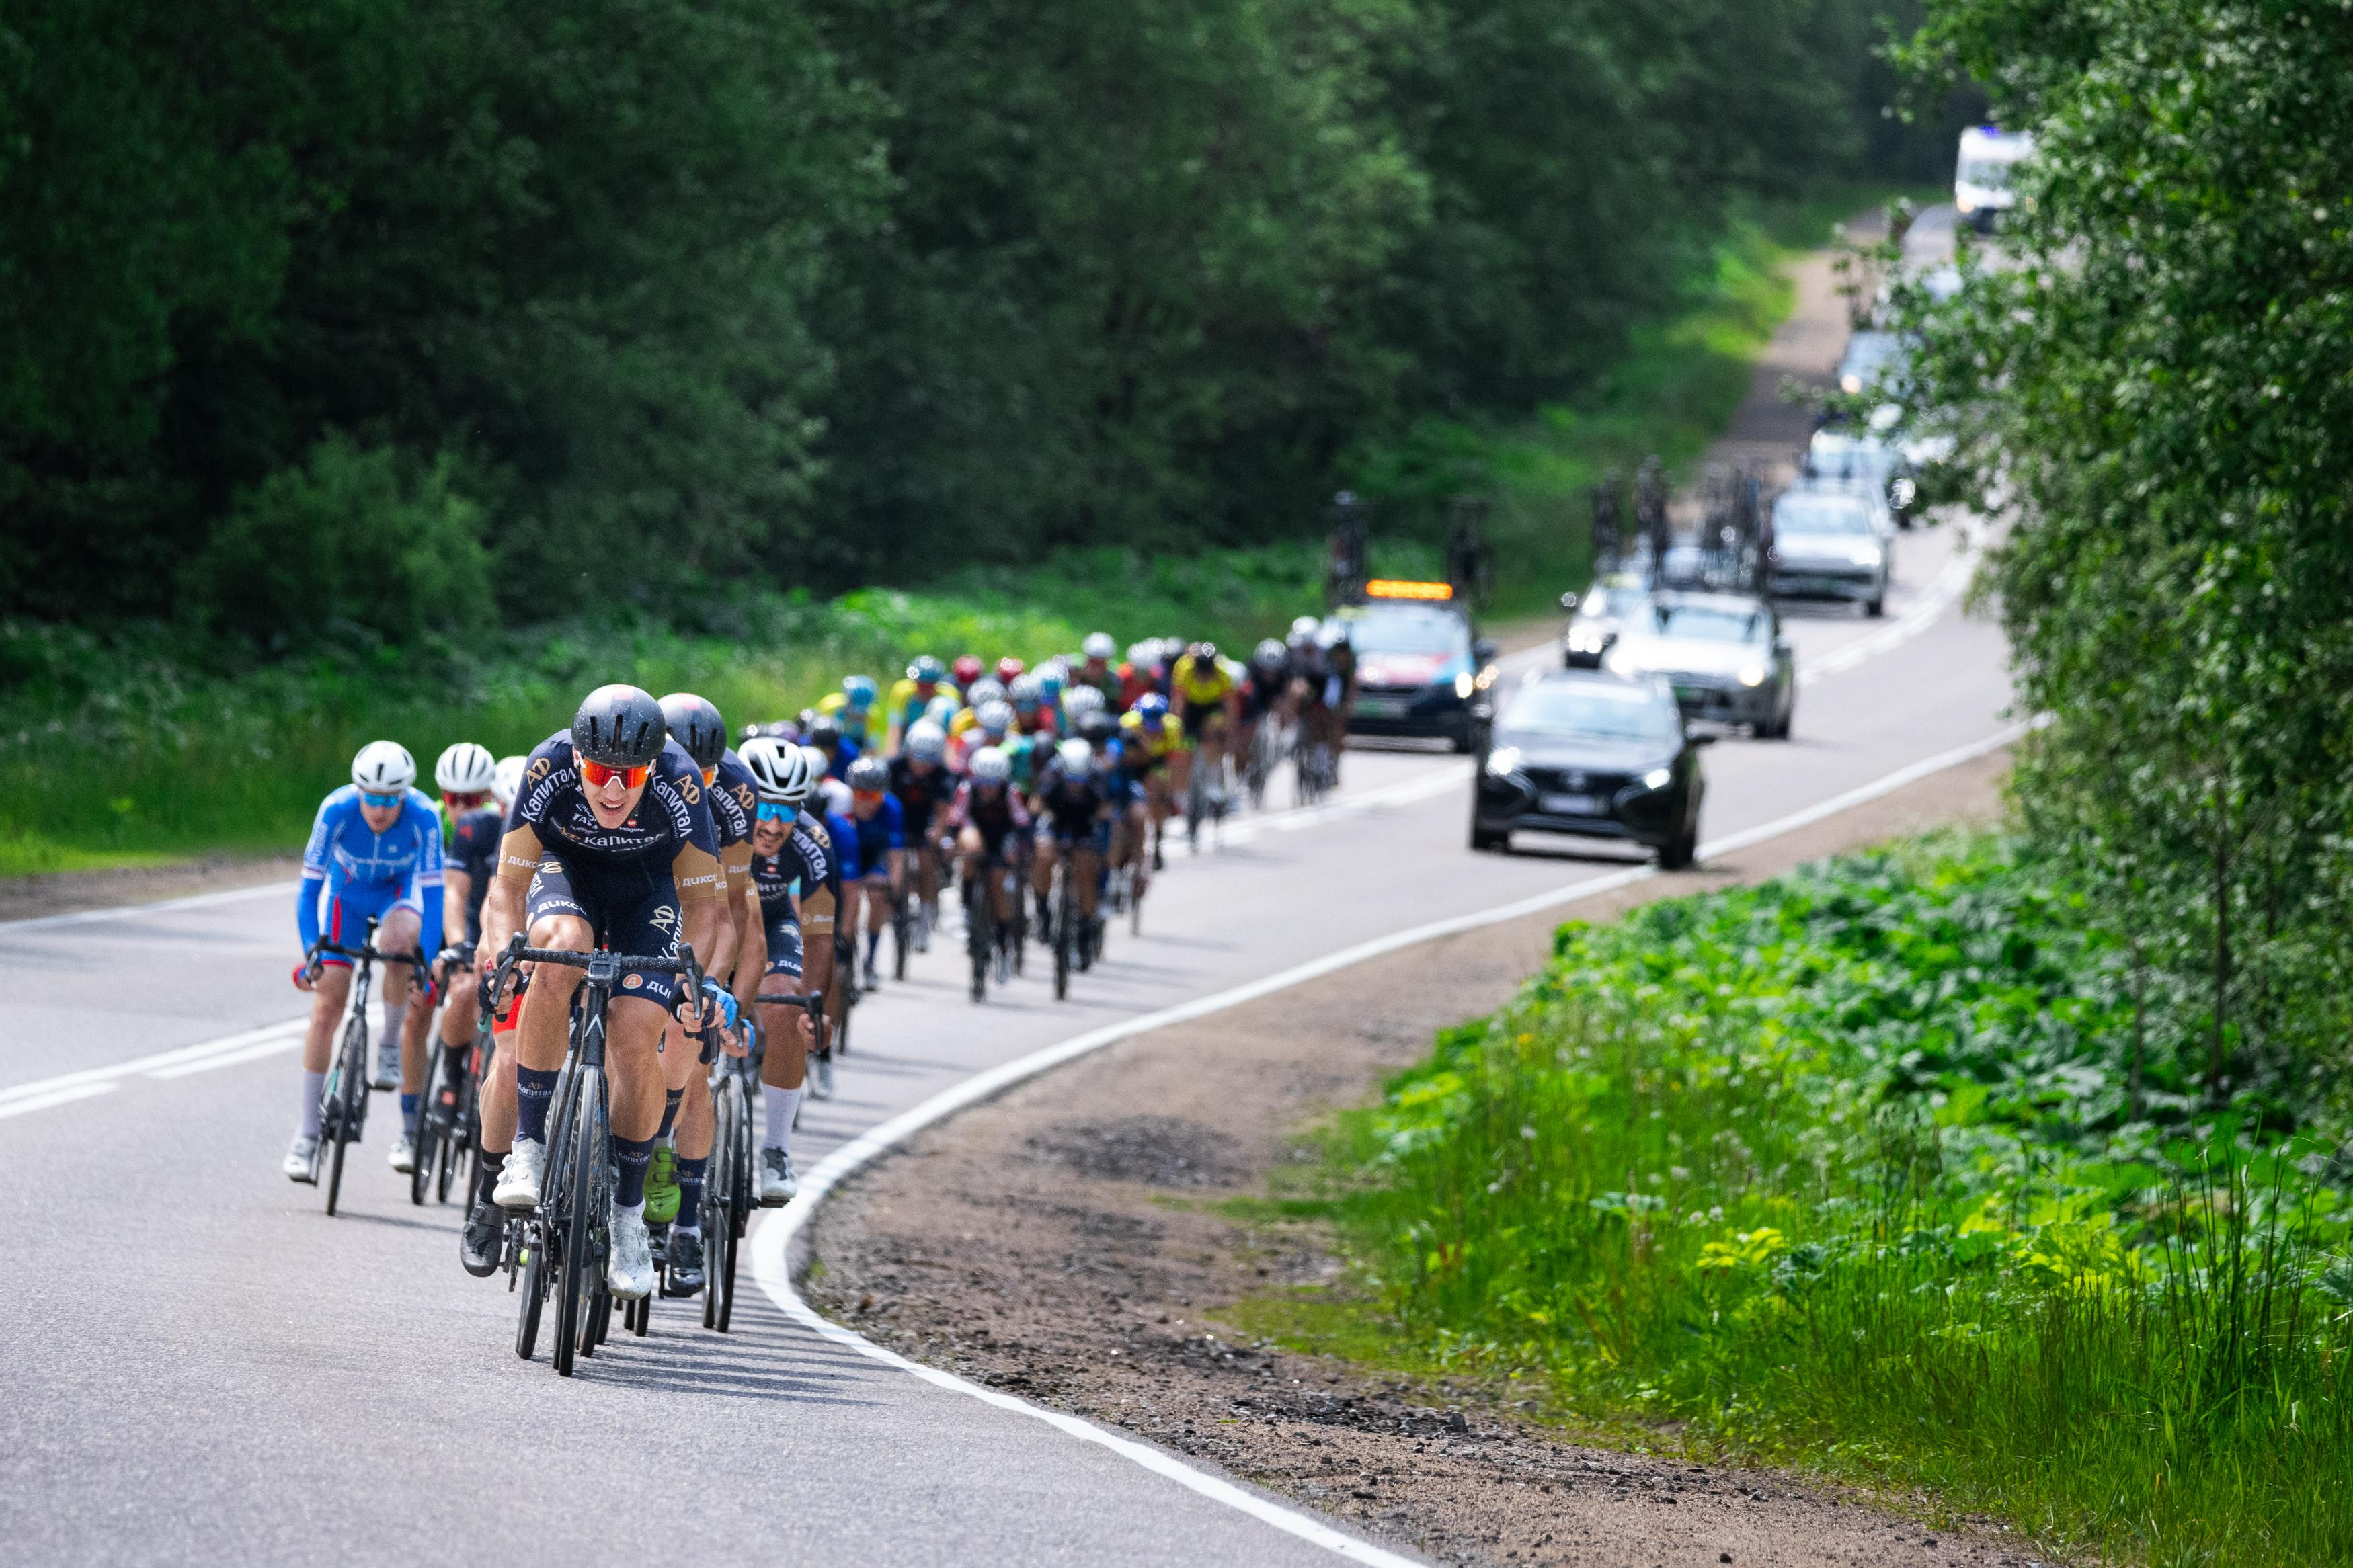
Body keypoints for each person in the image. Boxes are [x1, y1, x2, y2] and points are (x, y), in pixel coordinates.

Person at [478, 686, 725, 1303]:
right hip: (568, 876)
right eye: (599, 773)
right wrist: (504, 959)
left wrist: (697, 982)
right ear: (578, 759)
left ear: (652, 767)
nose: (613, 790)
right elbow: (506, 888)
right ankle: (528, 1147)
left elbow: (706, 909)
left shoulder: (682, 782)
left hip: (650, 894)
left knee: (636, 1028)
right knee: (558, 955)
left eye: (630, 776)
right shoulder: (547, 766)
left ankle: (627, 1215)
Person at [637, 692, 755, 1293]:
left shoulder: (735, 796)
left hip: (700, 905)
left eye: (706, 775)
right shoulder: (637, 775)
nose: (695, 784)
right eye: (686, 770)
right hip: (640, 890)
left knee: (693, 1053)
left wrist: (711, 985)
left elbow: (728, 909)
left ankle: (686, 1223)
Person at [284, 741, 445, 1183]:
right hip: (348, 897)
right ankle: (306, 1134)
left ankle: (389, 1044)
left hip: (399, 893)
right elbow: (308, 891)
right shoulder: (336, 809)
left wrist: (426, 962)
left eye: (390, 800)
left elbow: (434, 897)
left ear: (405, 795)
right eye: (371, 798)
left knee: (398, 941)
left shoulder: (424, 816)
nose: (379, 809)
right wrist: (311, 952)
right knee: (327, 1007)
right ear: (358, 791)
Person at [734, 737, 823, 1202]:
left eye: (787, 811)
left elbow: (822, 933)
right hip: (713, 914)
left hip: (773, 920)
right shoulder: (712, 816)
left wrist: (817, 1008)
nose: (773, 825)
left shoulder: (812, 841)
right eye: (765, 807)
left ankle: (776, 1149)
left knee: (789, 1004)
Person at [407, 741, 497, 1180]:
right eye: (453, 798)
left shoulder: (501, 823)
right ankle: (440, 1084)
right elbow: (440, 892)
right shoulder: (432, 821)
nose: (462, 807)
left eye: (472, 799)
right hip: (446, 919)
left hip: (488, 925)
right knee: (427, 1001)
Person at [1029, 737, 1111, 954]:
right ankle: (1043, 910)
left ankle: (1086, 922)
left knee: (1086, 866)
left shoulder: (1099, 774)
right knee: (1043, 857)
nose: (1075, 785)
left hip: (1085, 822)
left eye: (1080, 779)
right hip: (1056, 819)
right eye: (1071, 779)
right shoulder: (1051, 772)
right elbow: (1036, 805)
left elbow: (1105, 812)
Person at [946, 746, 1030, 938]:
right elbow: (956, 819)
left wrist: (1020, 850)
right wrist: (949, 841)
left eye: (993, 783)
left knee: (998, 879)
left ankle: (1002, 931)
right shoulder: (966, 789)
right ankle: (967, 907)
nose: (988, 788)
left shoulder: (1011, 792)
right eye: (983, 782)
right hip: (976, 835)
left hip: (1002, 838)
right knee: (970, 852)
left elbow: (1022, 824)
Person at [887, 720, 953, 950]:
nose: (923, 765)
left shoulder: (943, 775)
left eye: (930, 759)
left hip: (925, 823)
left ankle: (925, 922)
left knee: (926, 863)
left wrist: (938, 832)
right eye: (919, 757)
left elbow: (943, 811)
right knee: (894, 860)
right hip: (898, 820)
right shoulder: (893, 768)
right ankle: (895, 903)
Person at [843, 755, 905, 991]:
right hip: (847, 856)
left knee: (878, 896)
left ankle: (870, 961)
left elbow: (896, 857)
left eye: (875, 797)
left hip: (874, 858)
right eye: (862, 795)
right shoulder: (841, 805)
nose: (868, 803)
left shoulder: (892, 809)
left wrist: (893, 891)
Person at [1168, 640, 1244, 809]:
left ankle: (1213, 781)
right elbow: (1179, 702)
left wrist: (1231, 734)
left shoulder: (1223, 673)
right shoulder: (1184, 668)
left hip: (1213, 706)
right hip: (1191, 706)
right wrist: (1176, 729)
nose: (1203, 678)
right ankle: (1183, 796)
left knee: (1215, 730)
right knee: (1184, 749)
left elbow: (1231, 707)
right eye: (1200, 673)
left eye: (1207, 674)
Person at [1117, 694, 1183, 870]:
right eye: (1147, 724)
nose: (1152, 730)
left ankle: (1157, 843)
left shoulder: (1173, 728)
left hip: (1156, 763)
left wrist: (1169, 794)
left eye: (1156, 724)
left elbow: (1174, 763)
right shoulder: (1128, 724)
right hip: (1133, 764)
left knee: (1158, 792)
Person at [886, 657, 951, 753]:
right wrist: (891, 757)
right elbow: (895, 729)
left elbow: (952, 735)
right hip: (908, 740)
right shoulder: (901, 692)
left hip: (939, 741)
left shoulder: (949, 695)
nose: (925, 690)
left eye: (930, 686)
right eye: (921, 685)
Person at [816, 675, 881, 749]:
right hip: (831, 741)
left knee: (873, 742)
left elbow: (866, 739)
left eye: (862, 714)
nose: (857, 715)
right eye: (854, 709)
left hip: (855, 744)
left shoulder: (871, 716)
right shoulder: (830, 708)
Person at [1074, 633, 1121, 708]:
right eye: (1092, 661)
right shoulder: (1071, 672)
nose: (1096, 668)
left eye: (1100, 663)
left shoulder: (1114, 683)